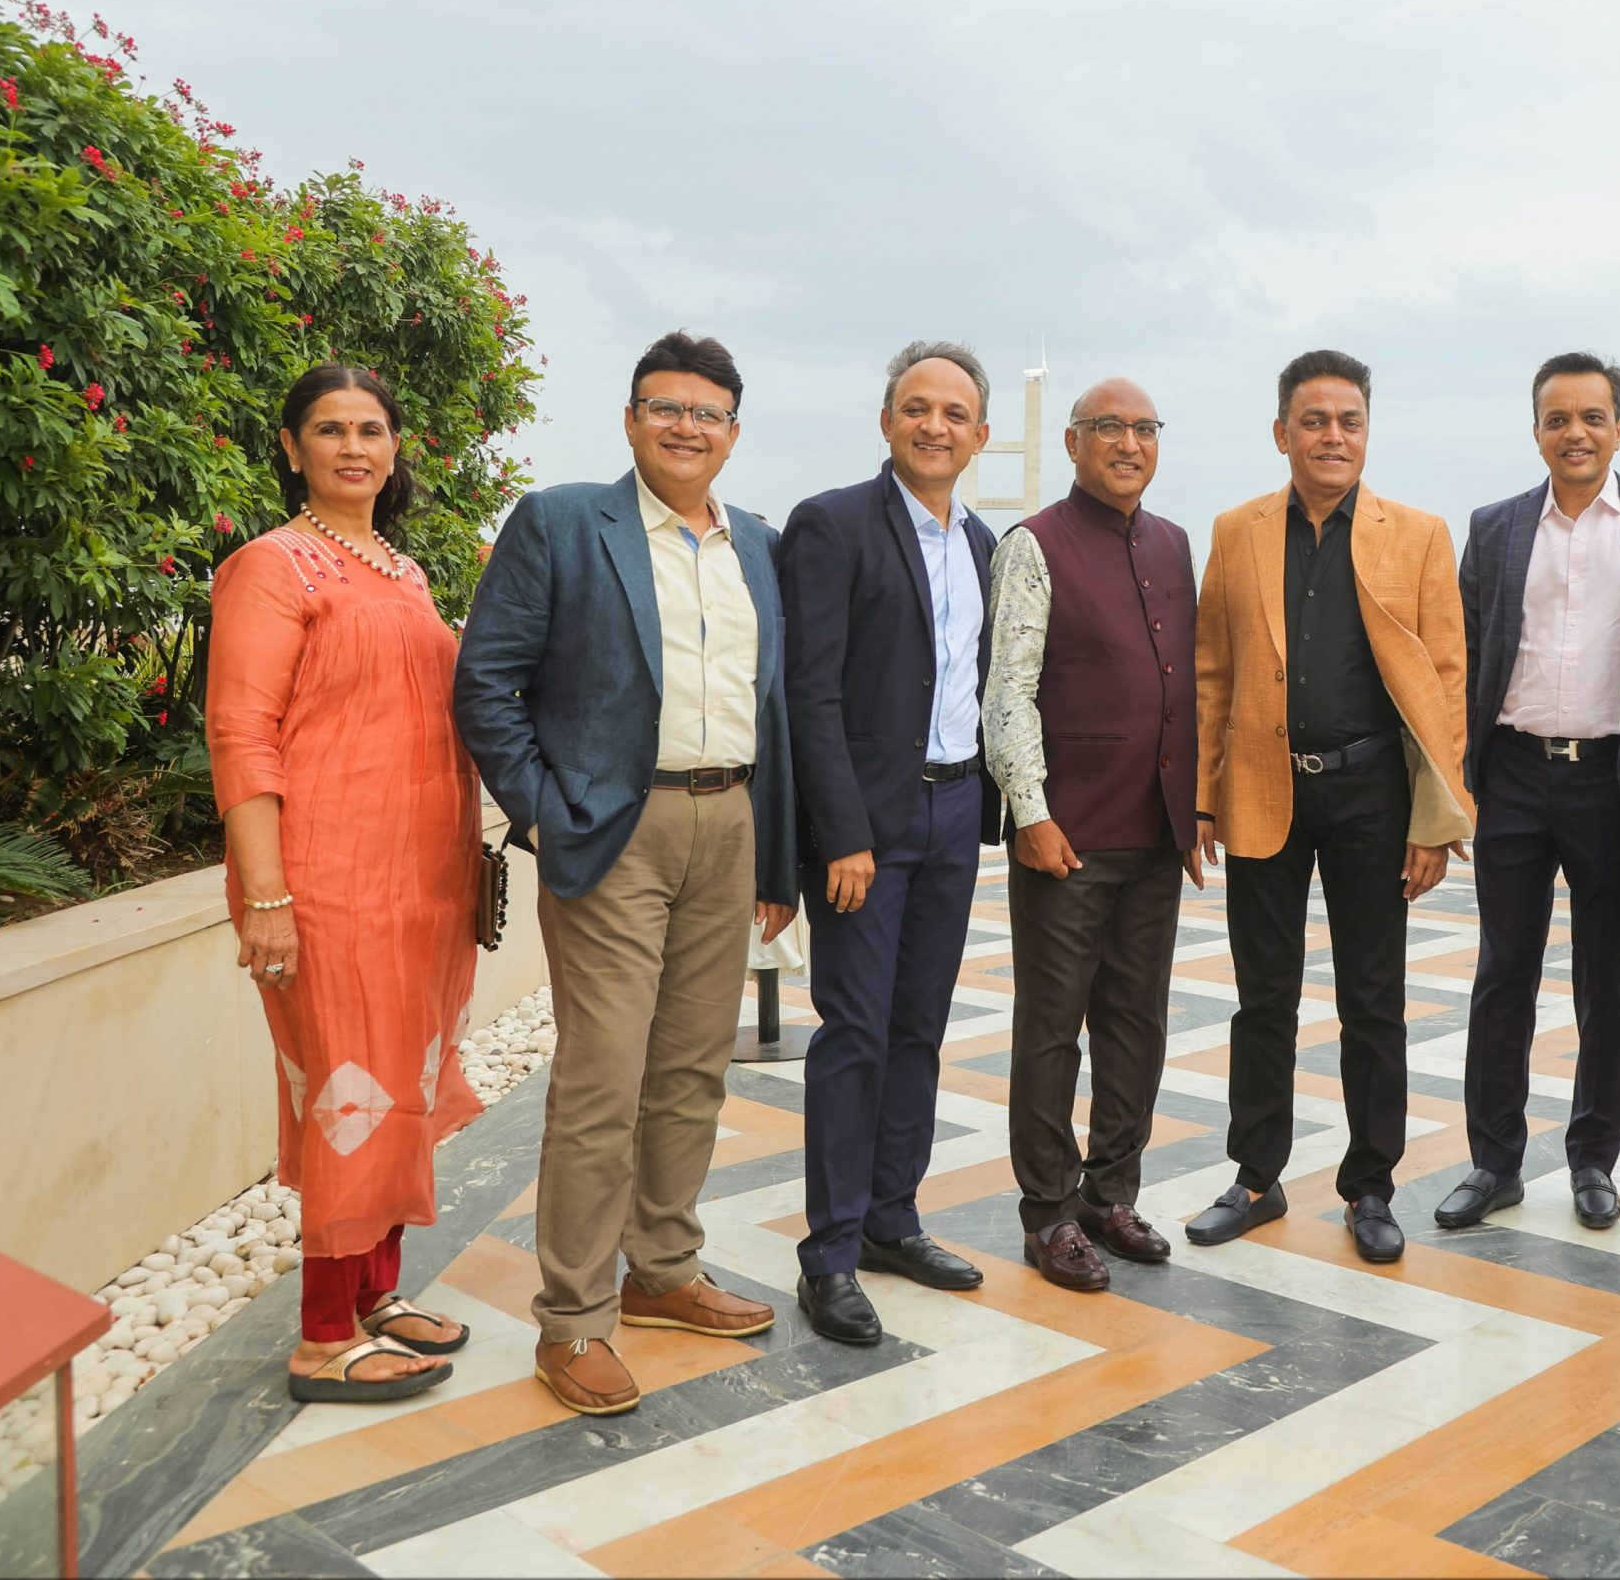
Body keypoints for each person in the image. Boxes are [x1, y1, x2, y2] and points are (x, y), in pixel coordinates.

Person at [454, 331, 796, 1418]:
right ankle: (573, 1317)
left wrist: (778, 854)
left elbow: (778, 706)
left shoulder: (758, 542)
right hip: (613, 828)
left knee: (692, 1068)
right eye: (666, 407)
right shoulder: (563, 523)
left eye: (707, 412)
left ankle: (663, 1268)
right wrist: (542, 814)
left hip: (729, 821)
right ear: (631, 419)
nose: (686, 427)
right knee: (604, 1076)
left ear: (733, 432)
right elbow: (486, 684)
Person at [208, 364, 482, 1403]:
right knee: (347, 1092)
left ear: (395, 446)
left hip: (420, 883)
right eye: (330, 429)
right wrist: (267, 896)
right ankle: (323, 1335)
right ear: (292, 448)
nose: (354, 447)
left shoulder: (404, 573)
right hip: (325, 881)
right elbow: (239, 734)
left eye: (372, 428)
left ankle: (374, 1295)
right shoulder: (272, 566)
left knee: (399, 1083)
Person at [1187, 349, 1474, 1264]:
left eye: (1349, 421)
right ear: (1282, 433)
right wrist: (1201, 798)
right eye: (1313, 421)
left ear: (1367, 431)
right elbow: (1211, 672)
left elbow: (1447, 680)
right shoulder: (1235, 531)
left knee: (1373, 1000)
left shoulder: (1419, 534)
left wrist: (1435, 818)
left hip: (1372, 793)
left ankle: (1371, 1184)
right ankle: (1255, 1176)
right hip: (1262, 785)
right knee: (1262, 997)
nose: (1332, 436)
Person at [1441, 353, 1620, 1233]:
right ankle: (1494, 1162)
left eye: (1593, 416)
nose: (1576, 433)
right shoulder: (1495, 526)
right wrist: (1464, 779)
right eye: (1558, 418)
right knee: (1502, 971)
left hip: (1616, 779)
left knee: (1610, 977)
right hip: (1515, 773)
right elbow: (1468, 655)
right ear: (1536, 432)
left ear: (1619, 428)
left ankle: (1594, 1159)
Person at [782, 340, 1000, 1344]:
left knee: (919, 1028)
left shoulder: (985, 545)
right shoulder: (832, 525)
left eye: (954, 413)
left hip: (955, 813)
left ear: (980, 434)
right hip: (868, 827)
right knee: (856, 1033)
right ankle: (829, 1255)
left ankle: (891, 1219)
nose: (934, 426)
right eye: (917, 407)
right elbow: (812, 691)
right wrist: (842, 831)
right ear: (886, 421)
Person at [983, 378, 1203, 1292]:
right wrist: (1030, 811)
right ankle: (1049, 1210)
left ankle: (1112, 1193)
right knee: (1051, 1027)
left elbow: (1187, 683)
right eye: (1108, 427)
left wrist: (1195, 809)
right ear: (1073, 442)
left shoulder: (1174, 542)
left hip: (1155, 833)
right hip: (1066, 836)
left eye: (1144, 428)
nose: (1128, 443)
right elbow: (1008, 688)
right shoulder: (1034, 544)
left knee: (1136, 1021)